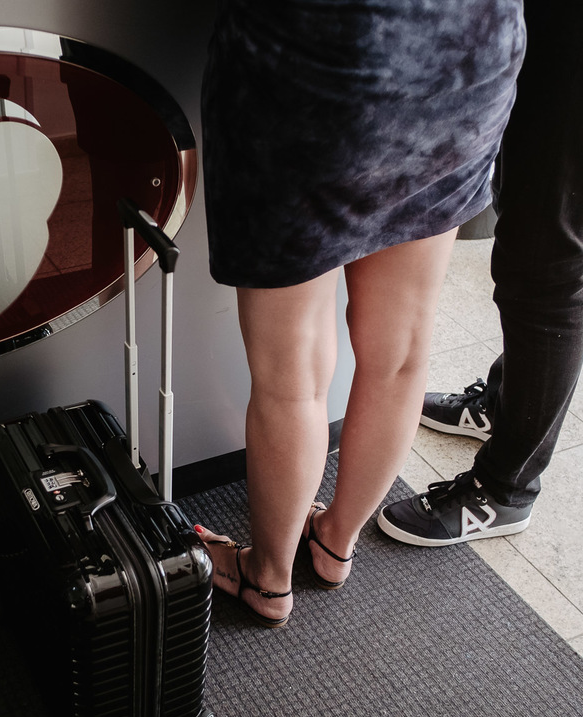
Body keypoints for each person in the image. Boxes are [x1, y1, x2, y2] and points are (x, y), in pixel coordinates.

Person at [194, 0, 526, 626]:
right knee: (401, 354)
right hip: (466, 60)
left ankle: (267, 580)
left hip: (316, 62)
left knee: (290, 377)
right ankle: (334, 543)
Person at [378, 0, 583, 547]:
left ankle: (505, 491)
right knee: (524, 215)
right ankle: (504, 405)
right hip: (577, 15)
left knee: (550, 261)